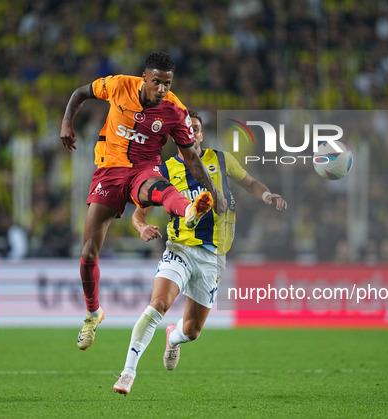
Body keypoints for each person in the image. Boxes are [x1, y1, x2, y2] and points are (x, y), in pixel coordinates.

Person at [60, 52, 227, 352]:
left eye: (167, 84)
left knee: (161, 190)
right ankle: (92, 313)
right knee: (88, 253)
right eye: (157, 83)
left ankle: (189, 209)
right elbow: (80, 93)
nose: (162, 90)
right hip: (109, 171)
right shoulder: (118, 85)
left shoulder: (176, 111)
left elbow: (191, 158)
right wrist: (66, 123)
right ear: (144, 77)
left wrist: (212, 193)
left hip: (143, 169)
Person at [113, 109, 287, 394]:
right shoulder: (165, 170)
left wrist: (267, 195)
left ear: (200, 133)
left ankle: (173, 337)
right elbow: (138, 212)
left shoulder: (220, 159)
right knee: (157, 305)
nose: (191, 132)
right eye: (185, 128)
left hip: (213, 256)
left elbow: (250, 183)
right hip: (180, 248)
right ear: (177, 135)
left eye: (195, 127)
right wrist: (141, 227)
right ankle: (127, 372)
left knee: (192, 331)